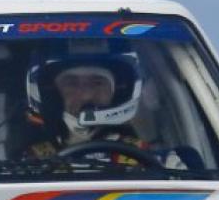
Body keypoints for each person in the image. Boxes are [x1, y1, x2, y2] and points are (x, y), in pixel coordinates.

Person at [22, 50, 151, 162]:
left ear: (115, 93)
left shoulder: (140, 154)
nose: (86, 95)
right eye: (71, 83)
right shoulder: (33, 160)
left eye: (97, 83)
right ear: (53, 95)